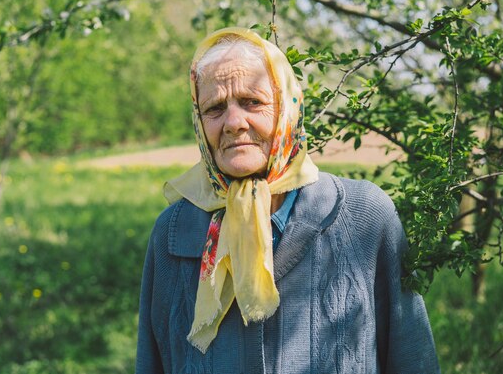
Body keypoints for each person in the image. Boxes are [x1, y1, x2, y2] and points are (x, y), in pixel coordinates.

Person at [136, 27, 440, 374]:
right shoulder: (173, 232)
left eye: (252, 102)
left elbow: (413, 360)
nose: (234, 122)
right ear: (199, 121)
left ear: (287, 108)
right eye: (215, 108)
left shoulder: (366, 217)